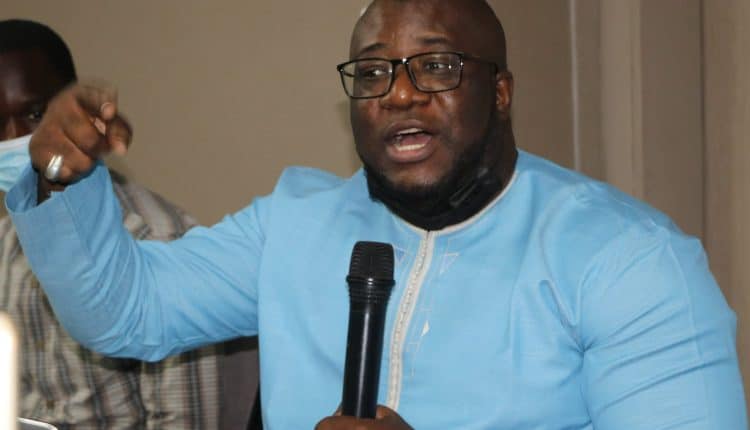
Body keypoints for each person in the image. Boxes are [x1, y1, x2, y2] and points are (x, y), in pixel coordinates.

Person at [5, 1, 747, 428]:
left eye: (437, 66)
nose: (399, 93)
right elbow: (125, 312)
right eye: (373, 71)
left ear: (500, 93)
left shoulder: (630, 261)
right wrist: (61, 175)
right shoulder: (295, 224)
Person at [0, 19, 228, 428]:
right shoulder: (5, 243)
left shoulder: (162, 238)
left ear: (77, 113)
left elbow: (186, 421)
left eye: (35, 114)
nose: (16, 137)